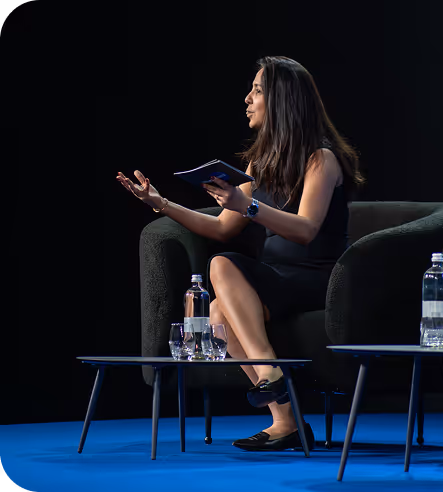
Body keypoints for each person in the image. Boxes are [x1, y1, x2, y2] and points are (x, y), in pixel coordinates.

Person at [117, 56, 364, 451]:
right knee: (217, 312)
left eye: (257, 91)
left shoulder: (321, 158)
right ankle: (287, 422)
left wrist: (246, 204)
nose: (247, 99)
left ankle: (269, 371)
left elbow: (305, 230)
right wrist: (161, 204)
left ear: (282, 100)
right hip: (277, 275)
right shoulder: (260, 162)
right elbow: (221, 227)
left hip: (319, 277)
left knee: (221, 264)